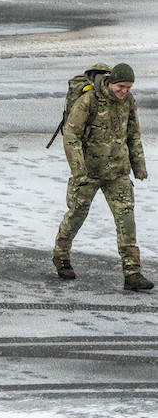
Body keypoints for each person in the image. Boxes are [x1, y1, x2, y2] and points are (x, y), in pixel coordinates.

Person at [54, 61, 151, 290]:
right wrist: (79, 172)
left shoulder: (128, 102)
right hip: (89, 172)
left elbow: (133, 135)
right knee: (76, 215)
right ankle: (61, 256)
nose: (124, 92)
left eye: (128, 88)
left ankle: (132, 273)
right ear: (111, 83)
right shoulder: (88, 101)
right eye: (121, 87)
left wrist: (139, 167)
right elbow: (71, 136)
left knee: (126, 220)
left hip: (118, 172)